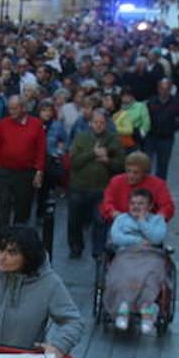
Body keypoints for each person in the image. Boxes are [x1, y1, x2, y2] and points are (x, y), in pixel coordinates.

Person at [0, 225, 84, 357]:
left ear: (28, 256)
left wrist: (59, 346)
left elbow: (74, 321)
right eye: (0, 250)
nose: (2, 257)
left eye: (12, 252)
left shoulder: (50, 283)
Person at [105, 189, 169, 334]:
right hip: (127, 254)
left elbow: (156, 238)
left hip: (151, 255)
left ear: (150, 206)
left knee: (151, 276)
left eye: (141, 203)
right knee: (124, 272)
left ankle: (148, 310)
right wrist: (138, 240)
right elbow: (116, 238)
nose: (135, 206)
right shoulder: (121, 219)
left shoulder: (157, 220)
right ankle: (122, 307)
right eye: (133, 203)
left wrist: (142, 221)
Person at [66, 110, 124, 259]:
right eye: (96, 122)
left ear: (106, 124)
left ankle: (98, 252)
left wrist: (108, 161)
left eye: (102, 123)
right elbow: (73, 162)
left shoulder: (113, 140)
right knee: (75, 220)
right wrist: (93, 153)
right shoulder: (81, 138)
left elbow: (121, 165)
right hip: (79, 187)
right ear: (90, 123)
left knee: (100, 221)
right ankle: (75, 247)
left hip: (102, 189)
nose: (98, 125)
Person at [0, 96, 46, 229]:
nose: (11, 111)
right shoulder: (3, 124)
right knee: (2, 208)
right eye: (10, 108)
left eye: (15, 108)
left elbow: (41, 149)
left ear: (23, 108)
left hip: (25, 173)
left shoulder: (36, 124)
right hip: (4, 172)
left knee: (22, 208)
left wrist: (39, 170)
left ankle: (19, 240)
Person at [100, 151, 175, 224]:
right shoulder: (116, 181)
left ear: (145, 173)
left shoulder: (158, 184)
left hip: (147, 225)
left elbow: (167, 205)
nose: (131, 175)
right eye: (128, 171)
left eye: (136, 172)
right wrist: (113, 212)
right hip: (121, 224)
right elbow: (106, 202)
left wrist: (159, 217)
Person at [145, 78, 179, 180]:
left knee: (163, 165)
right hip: (151, 136)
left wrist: (173, 127)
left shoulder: (176, 102)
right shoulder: (151, 101)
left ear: (170, 89)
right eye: (162, 88)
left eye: (166, 89)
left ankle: (159, 188)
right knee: (146, 163)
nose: (164, 91)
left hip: (167, 138)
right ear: (158, 89)